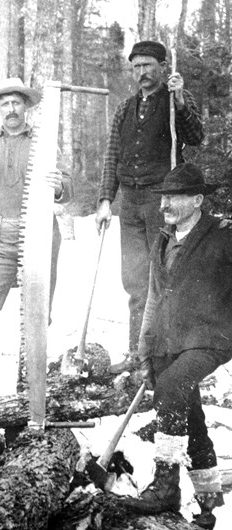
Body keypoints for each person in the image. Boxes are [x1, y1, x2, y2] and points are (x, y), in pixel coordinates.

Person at [120, 163, 229, 530]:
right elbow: (152, 298)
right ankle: (208, 505)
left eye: (175, 197)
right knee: (190, 413)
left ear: (197, 200)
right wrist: (143, 347)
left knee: (171, 387)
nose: (165, 203)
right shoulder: (163, 240)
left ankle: (165, 486)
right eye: (164, 196)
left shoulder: (223, 234)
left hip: (213, 338)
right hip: (171, 339)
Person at [0, 77, 72, 405]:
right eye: (4, 104)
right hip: (0, 235)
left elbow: (69, 186)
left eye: (16, 102)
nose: (11, 109)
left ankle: (27, 383)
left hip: (41, 235)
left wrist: (59, 185)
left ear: (26, 107)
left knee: (36, 313)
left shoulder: (44, 143)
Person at [95, 40, 204, 374]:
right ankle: (137, 354)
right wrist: (104, 200)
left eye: (147, 65)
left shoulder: (174, 103)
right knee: (135, 283)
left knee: (164, 279)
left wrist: (182, 99)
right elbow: (112, 155)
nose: (141, 72)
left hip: (163, 203)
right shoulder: (125, 109)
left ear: (162, 66)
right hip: (129, 203)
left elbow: (195, 136)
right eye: (136, 67)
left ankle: (169, 355)